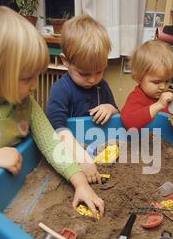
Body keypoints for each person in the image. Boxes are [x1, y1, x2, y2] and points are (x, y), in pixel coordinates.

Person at [0, 6, 104, 235]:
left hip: (15, 196)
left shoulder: (26, 102)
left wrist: (80, 183)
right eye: (27, 78)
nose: (35, 86)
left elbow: (52, 143)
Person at [46, 15, 119, 184]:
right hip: (72, 150)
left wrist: (110, 108)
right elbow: (56, 129)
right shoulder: (60, 90)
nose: (93, 79)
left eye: (99, 71)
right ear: (65, 61)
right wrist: (81, 157)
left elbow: (117, 115)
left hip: (97, 144)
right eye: (84, 73)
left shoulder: (103, 86)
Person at [121, 40, 173, 130]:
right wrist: (159, 105)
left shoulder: (166, 97)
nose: (163, 87)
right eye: (156, 82)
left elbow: (172, 120)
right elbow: (129, 122)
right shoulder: (136, 97)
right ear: (139, 78)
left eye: (166, 81)